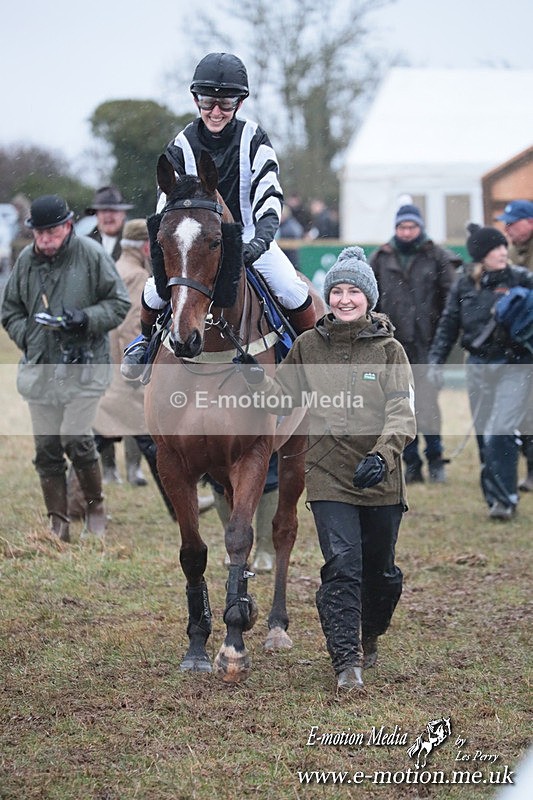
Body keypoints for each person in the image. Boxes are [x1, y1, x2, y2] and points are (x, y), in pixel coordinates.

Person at [241, 246, 416, 692]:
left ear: (368, 298)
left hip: (380, 475)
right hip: (327, 475)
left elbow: (402, 413)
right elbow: (283, 399)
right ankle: (346, 661)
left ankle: (370, 631)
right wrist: (255, 380)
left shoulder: (390, 351)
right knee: (341, 565)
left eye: (353, 291)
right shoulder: (308, 346)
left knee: (381, 573)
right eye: (337, 291)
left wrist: (383, 455)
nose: (343, 299)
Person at [121, 52, 317, 378]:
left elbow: (270, 200)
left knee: (291, 289)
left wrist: (257, 244)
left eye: (225, 103)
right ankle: (144, 344)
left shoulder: (254, 139)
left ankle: (315, 357)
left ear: (239, 103)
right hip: (196, 244)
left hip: (250, 238)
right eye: (208, 102)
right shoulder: (181, 145)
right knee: (154, 291)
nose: (216, 111)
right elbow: (164, 211)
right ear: (196, 100)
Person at [1, 194, 130, 541]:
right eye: (39, 233)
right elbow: (9, 310)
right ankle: (58, 522)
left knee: (76, 437)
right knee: (46, 448)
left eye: (52, 232)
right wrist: (30, 337)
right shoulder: (26, 261)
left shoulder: (91, 254)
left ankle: (96, 508)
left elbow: (119, 303)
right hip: (41, 369)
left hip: (84, 365)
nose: (45, 239)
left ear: (68, 226)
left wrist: (84, 318)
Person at [428, 224, 533, 520]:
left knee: (501, 429)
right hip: (477, 366)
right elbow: (448, 325)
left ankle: (505, 500)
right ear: (480, 256)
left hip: (514, 365)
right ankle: (495, 498)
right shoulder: (464, 285)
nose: (502, 252)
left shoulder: (521, 278)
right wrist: (435, 361)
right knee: (484, 435)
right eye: (494, 248)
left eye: (503, 246)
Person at [370, 204, 456, 484]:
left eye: (411, 227)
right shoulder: (381, 258)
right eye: (402, 227)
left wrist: (440, 336)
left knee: (428, 406)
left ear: (420, 227)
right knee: (399, 406)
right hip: (393, 345)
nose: (406, 232)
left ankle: (435, 459)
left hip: (426, 344)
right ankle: (411, 463)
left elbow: (451, 300)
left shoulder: (437, 256)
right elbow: (370, 300)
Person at [84, 185, 146, 486]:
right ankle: (108, 468)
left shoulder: (134, 244)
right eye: (103, 212)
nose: (108, 216)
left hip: (129, 329)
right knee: (101, 403)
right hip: (98, 333)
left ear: (122, 215)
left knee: (133, 398)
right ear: (96, 215)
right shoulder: (86, 245)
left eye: (113, 211)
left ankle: (134, 467)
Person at [496, 199, 533, 491]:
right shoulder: (507, 254)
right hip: (518, 346)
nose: (507, 229)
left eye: (512, 223)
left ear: (530, 222)